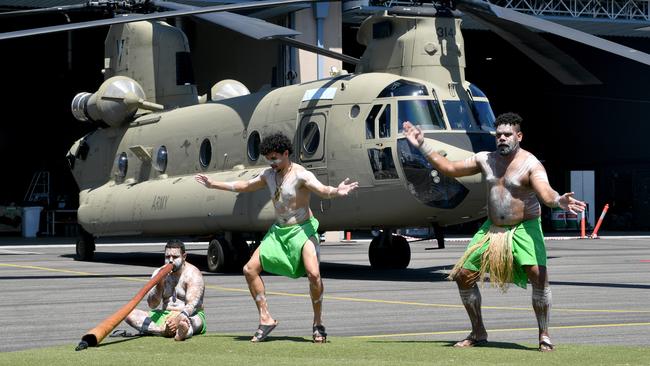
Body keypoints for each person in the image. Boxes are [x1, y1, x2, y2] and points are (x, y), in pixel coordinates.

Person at [403, 113, 586, 352]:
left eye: (507, 134)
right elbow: (449, 168)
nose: (502, 138)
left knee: (537, 275)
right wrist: (423, 145)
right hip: (492, 229)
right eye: (498, 134)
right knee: (464, 274)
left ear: (519, 136)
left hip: (524, 227)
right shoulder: (485, 159)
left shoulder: (531, 164)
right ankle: (478, 331)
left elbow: (545, 191)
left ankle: (544, 334)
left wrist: (558, 200)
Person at [195, 132, 358, 343]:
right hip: (279, 231)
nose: (272, 162)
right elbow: (244, 186)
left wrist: (337, 191)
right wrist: (213, 184)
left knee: (314, 275)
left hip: (302, 229)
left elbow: (322, 190)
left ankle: (318, 323)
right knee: (249, 269)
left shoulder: (301, 175)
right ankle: (266, 319)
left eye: (275, 158)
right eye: (268, 159)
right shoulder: (268, 175)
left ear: (286, 153)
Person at [125, 240, 206, 341]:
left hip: (190, 315)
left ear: (184, 257)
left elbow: (191, 305)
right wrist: (160, 283)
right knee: (129, 314)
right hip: (165, 314)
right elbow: (152, 304)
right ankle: (163, 331)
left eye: (175, 257)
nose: (171, 261)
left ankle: (183, 330)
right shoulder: (158, 272)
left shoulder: (193, 274)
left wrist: (179, 318)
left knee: (193, 322)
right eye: (167, 257)